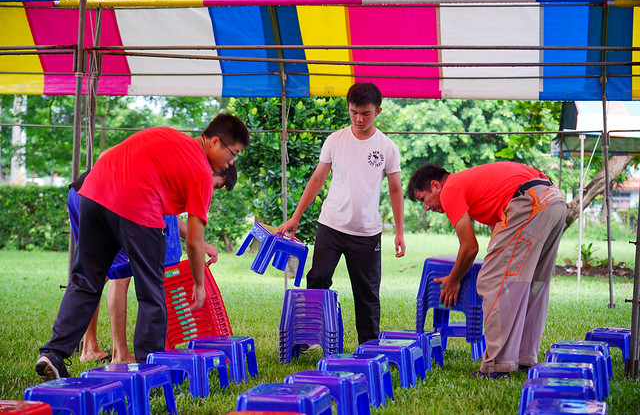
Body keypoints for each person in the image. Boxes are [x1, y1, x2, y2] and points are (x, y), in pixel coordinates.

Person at [36, 114, 250, 380]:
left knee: (86, 281)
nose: (232, 162)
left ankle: (54, 353)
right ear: (215, 141)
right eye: (233, 154)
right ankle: (150, 368)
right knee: (151, 290)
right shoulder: (201, 173)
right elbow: (195, 243)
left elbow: (111, 154)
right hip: (136, 205)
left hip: (92, 192)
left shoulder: (166, 134)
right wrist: (198, 284)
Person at [407, 161, 566, 378]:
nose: (426, 207)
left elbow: (470, 247)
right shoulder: (474, 185)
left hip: (530, 201)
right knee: (532, 283)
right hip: (554, 200)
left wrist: (454, 279)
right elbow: (500, 237)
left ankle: (498, 365)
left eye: (423, 199)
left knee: (492, 280)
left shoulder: (450, 189)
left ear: (436, 185)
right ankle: (524, 357)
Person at [278, 82, 406, 346]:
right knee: (317, 278)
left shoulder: (387, 147)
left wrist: (400, 233)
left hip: (367, 233)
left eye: (366, 113)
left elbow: (395, 190)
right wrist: (295, 217)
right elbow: (317, 179)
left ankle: (368, 346)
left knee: (367, 293)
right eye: (353, 112)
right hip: (331, 225)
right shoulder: (335, 140)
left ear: (378, 112)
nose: (359, 119)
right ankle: (309, 336)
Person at [72, 165, 238, 364]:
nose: (210, 192)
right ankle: (120, 354)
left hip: (82, 192)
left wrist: (201, 244)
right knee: (122, 273)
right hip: (106, 195)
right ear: (212, 170)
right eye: (216, 186)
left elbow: (167, 214)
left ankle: (89, 347)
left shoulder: (176, 165)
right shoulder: (184, 171)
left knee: (95, 272)